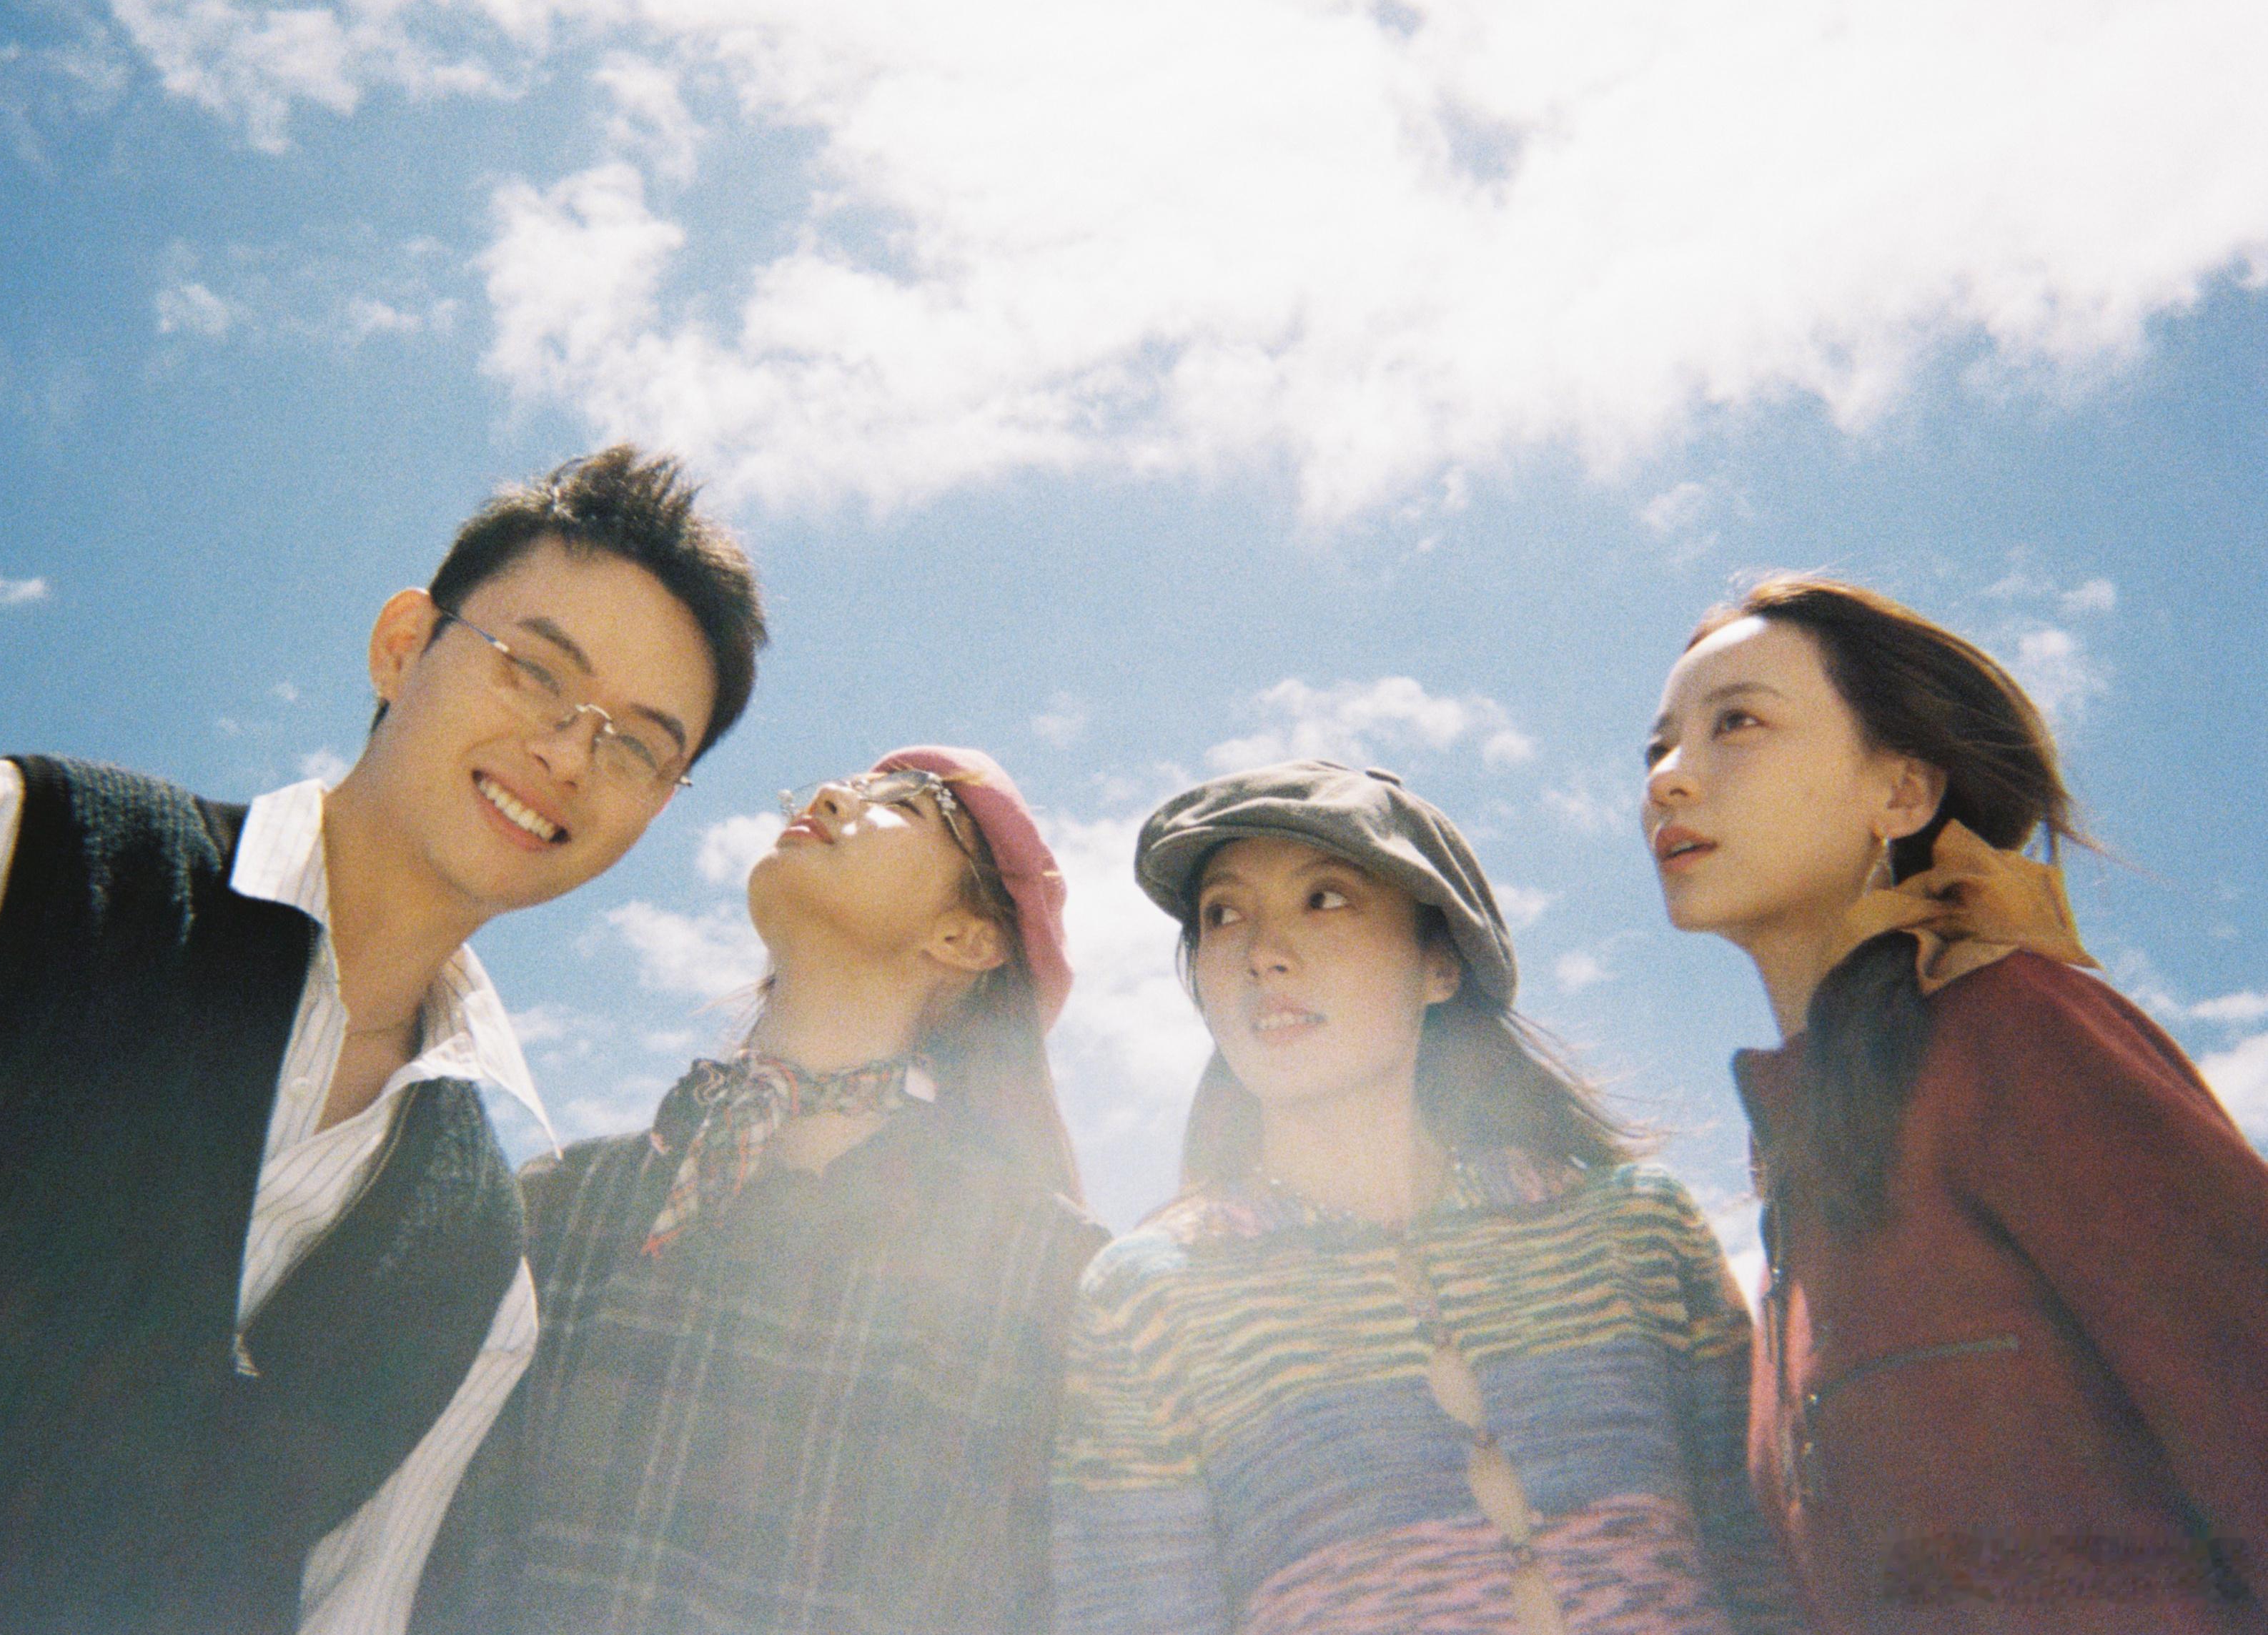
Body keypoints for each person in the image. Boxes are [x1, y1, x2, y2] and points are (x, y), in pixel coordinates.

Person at [0, 446, 768, 1635]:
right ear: (403, 645)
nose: (567, 753)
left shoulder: (484, 1275)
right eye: (535, 669)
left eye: (637, 745)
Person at [1643, 574, 2268, 1633]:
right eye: (1656, 748)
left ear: (1903, 792)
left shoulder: (2013, 1031)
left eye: (1737, 723)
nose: (1670, 779)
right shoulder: (1796, 1186)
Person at [1054, 760, 1798, 1635]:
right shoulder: (1149, 1295)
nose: (1262, 952)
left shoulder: (1638, 1228)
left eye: (1325, 899)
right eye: (1223, 915)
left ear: (1440, 964)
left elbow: (1771, 1571)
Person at [413, 746, 1108, 1635]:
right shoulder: (562, 1203)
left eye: (908, 805)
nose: (830, 795)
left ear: (967, 939)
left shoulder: (1048, 1275)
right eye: (847, 782)